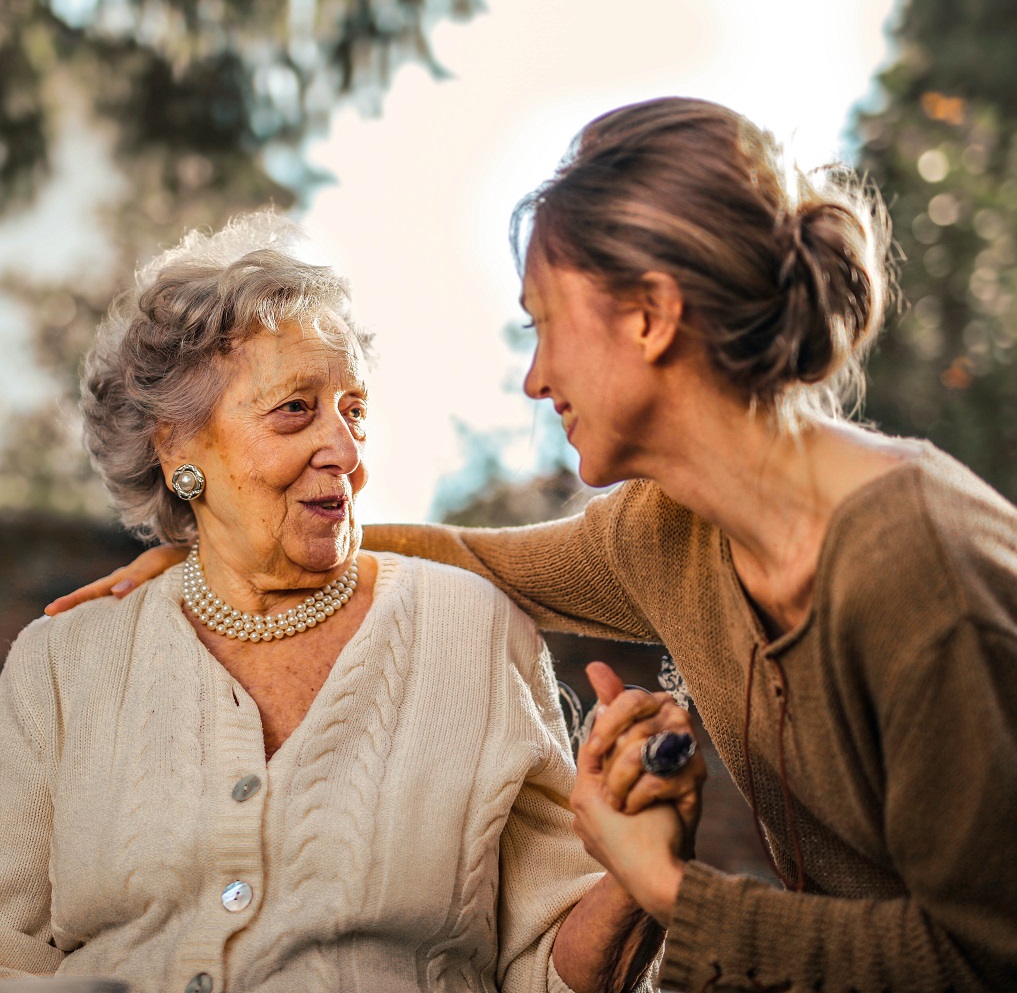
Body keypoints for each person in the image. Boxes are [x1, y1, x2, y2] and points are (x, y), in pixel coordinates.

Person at [51, 97, 1017, 991]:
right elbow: (474, 557)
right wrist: (222, 549)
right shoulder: (669, 532)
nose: (534, 376)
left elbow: (985, 955)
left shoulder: (918, 569)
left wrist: (672, 893)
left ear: (648, 316)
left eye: (545, 326)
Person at [0, 213, 672, 992]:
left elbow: (548, 971)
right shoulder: (62, 663)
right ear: (177, 445)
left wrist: (637, 877)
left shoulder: (473, 633)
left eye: (354, 409)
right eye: (295, 408)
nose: (348, 453)